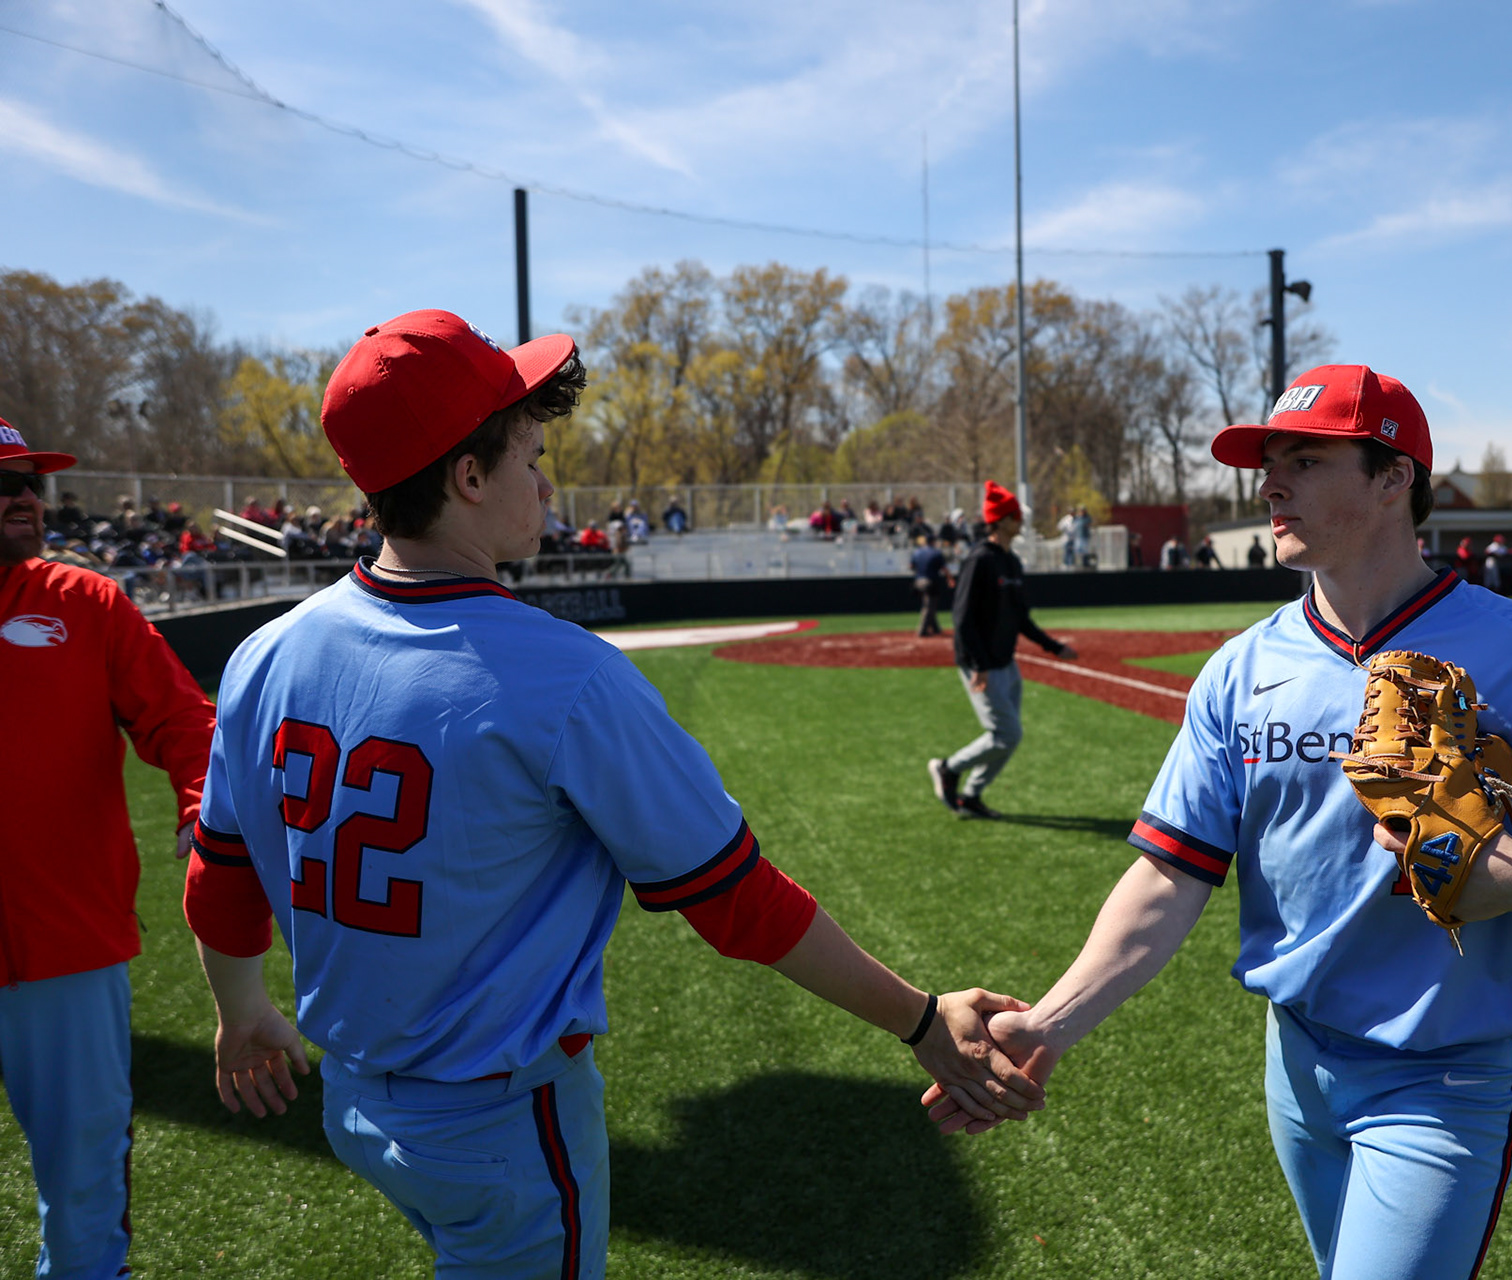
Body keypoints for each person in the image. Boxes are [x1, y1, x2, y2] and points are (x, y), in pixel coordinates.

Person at [178, 311, 1043, 1277]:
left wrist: (239, 1007)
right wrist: (920, 1020)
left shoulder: (263, 655)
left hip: (356, 1105)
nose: (546, 481)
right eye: (530, 454)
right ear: (468, 477)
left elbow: (220, 877)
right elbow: (736, 902)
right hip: (500, 1119)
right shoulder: (563, 677)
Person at [931, 366, 1512, 1279]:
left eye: (1305, 459)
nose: (1271, 483)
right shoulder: (1240, 670)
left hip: (1443, 1078)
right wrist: (1049, 1023)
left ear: (1394, 476)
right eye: (1268, 461)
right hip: (1295, 1070)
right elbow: (1170, 875)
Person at [0, 417, 217, 1278]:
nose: (22, 498)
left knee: (85, 1183)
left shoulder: (85, 602)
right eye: (0, 485)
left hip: (68, 946)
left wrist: (200, 807)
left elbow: (185, 722)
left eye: (32, 484)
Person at [926, 481, 1078, 821]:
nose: (1020, 522)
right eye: (1015, 516)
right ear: (1002, 520)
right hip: (981, 664)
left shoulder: (1011, 562)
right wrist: (978, 664)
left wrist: (1054, 648)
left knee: (1007, 737)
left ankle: (971, 795)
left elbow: (1021, 618)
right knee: (1007, 734)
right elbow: (962, 618)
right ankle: (948, 769)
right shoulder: (979, 560)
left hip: (1006, 664)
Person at [909, 533, 949, 638]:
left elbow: (911, 566)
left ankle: (935, 628)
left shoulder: (917, 552)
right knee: (929, 606)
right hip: (931, 582)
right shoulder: (936, 553)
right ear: (933, 542)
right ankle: (922, 630)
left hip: (918, 582)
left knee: (930, 604)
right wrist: (950, 579)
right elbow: (944, 569)